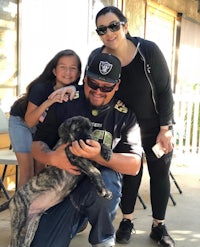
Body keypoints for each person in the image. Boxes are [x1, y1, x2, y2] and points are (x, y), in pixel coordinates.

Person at [30, 53, 143, 247]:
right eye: (93, 84)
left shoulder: (124, 114)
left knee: (105, 186)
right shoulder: (66, 102)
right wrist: (52, 157)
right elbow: (36, 146)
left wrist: (100, 156)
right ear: (85, 79)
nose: (98, 91)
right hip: (62, 187)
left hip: (98, 185)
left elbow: (134, 166)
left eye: (106, 87)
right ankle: (77, 219)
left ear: (116, 85)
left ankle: (103, 239)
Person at [88, 6, 175, 247]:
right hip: (123, 128)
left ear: (125, 26)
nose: (109, 33)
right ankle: (126, 220)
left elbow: (165, 90)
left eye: (114, 26)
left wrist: (166, 128)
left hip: (156, 124)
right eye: (102, 29)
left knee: (159, 173)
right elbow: (89, 86)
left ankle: (159, 225)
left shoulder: (147, 51)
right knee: (129, 173)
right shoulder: (98, 57)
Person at [9, 49, 81, 187]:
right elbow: (30, 121)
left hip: (43, 128)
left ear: (78, 73)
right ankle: (21, 208)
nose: (67, 72)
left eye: (72, 68)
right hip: (22, 123)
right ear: (54, 71)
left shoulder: (75, 93)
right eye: (63, 67)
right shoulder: (41, 88)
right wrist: (50, 101)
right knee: (27, 172)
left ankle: (38, 208)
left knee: (40, 172)